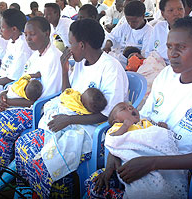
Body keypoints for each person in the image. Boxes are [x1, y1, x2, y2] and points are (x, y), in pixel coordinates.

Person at [85, 16, 192, 199]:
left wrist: (152, 163)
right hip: (139, 155)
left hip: (176, 170)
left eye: (181, 47)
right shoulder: (166, 76)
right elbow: (139, 122)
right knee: (95, 184)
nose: (172, 54)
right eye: (169, 47)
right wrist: (117, 151)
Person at [15, 18, 128, 198]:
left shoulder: (110, 68)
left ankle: (56, 193)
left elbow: (109, 116)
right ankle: (31, 191)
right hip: (71, 122)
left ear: (82, 45)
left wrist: (69, 120)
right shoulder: (82, 64)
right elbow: (68, 95)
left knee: (47, 160)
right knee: (23, 144)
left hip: (93, 130)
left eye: (71, 43)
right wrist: (64, 69)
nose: (68, 48)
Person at [0, 17, 63, 177]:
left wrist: (8, 102)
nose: (28, 39)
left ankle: (0, 170)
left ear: (47, 33)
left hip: (36, 110)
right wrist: (4, 94)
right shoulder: (36, 55)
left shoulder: (53, 58)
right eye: (27, 34)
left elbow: (40, 100)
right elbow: (20, 82)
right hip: (19, 102)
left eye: (33, 34)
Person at [102, 102, 188, 198]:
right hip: (132, 162)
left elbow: (155, 136)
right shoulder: (117, 127)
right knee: (141, 184)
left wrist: (163, 129)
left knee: (164, 180)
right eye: (123, 109)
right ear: (116, 121)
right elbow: (113, 140)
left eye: (131, 106)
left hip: (154, 159)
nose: (130, 108)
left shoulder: (145, 123)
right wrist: (125, 126)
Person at [144, 0, 185, 65]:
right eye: (171, 10)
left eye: (180, 9)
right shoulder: (159, 28)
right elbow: (148, 52)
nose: (177, 13)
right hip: (157, 67)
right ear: (163, 14)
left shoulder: (191, 30)